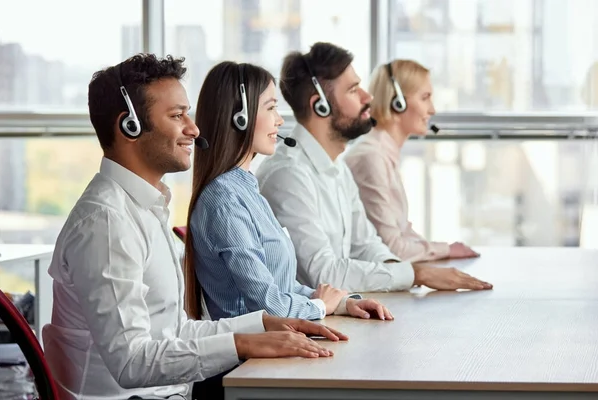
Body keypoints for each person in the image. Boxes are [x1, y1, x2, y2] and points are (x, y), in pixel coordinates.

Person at [41, 54, 346, 400]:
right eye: (177, 116)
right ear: (130, 126)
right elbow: (131, 362)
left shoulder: (144, 208)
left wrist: (261, 325)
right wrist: (244, 343)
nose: (194, 128)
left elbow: (174, 332)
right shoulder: (107, 223)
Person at [256, 42, 493, 293]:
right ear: (320, 105)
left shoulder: (337, 168)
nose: (367, 97)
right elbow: (323, 275)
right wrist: (416, 274)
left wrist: (403, 272)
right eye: (353, 90)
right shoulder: (289, 176)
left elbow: (366, 245)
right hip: (305, 325)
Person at [183, 61, 392, 323]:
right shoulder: (224, 201)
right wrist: (319, 306)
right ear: (241, 117)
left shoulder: (246, 190)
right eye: (271, 107)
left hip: (277, 343)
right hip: (250, 358)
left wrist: (341, 303)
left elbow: (283, 289)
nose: (280, 120)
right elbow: (269, 305)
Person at [344, 59, 479, 262]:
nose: (432, 109)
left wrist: (442, 249)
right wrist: (445, 250)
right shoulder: (371, 158)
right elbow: (392, 248)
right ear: (397, 102)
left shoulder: (383, 153)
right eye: (425, 98)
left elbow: (402, 232)